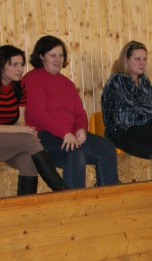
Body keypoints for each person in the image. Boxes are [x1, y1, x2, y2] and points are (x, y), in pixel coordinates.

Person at [0, 45, 66, 195]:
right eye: (15, 65)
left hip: (4, 140)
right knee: (27, 139)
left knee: (28, 162)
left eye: (21, 64)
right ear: (1, 65)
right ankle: (62, 191)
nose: (20, 69)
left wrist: (25, 131)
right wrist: (22, 131)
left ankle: (25, 207)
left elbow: (20, 121)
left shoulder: (19, 86)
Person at [23, 35, 119, 189]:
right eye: (53, 55)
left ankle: (108, 196)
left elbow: (79, 112)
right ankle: (75, 200)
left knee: (106, 148)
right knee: (74, 153)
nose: (58, 60)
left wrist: (82, 129)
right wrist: (64, 133)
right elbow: (38, 114)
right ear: (41, 57)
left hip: (70, 135)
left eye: (61, 55)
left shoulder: (67, 83)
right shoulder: (32, 79)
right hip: (43, 136)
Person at [101, 41, 152, 179]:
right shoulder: (118, 80)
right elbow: (135, 105)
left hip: (142, 127)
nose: (142, 63)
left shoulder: (143, 81)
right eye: (137, 59)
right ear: (126, 60)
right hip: (121, 130)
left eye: (144, 59)